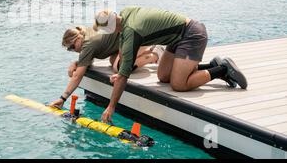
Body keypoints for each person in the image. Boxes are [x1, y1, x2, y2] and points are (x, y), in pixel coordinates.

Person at [93, 8, 248, 124]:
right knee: (163, 76)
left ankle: (222, 69)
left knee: (179, 84)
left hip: (191, 34)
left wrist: (111, 107)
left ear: (111, 28)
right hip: (177, 38)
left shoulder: (132, 31)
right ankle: (211, 65)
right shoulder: (125, 14)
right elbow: (123, 51)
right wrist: (121, 73)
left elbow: (125, 73)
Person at [49, 26, 165, 109]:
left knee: (119, 67)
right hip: (128, 39)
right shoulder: (87, 35)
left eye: (72, 47)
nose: (73, 50)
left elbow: (77, 76)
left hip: (137, 39)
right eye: (70, 49)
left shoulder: (88, 45)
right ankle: (149, 52)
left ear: (78, 38)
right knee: (113, 61)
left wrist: (63, 98)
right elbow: (87, 62)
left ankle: (153, 54)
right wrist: (76, 63)